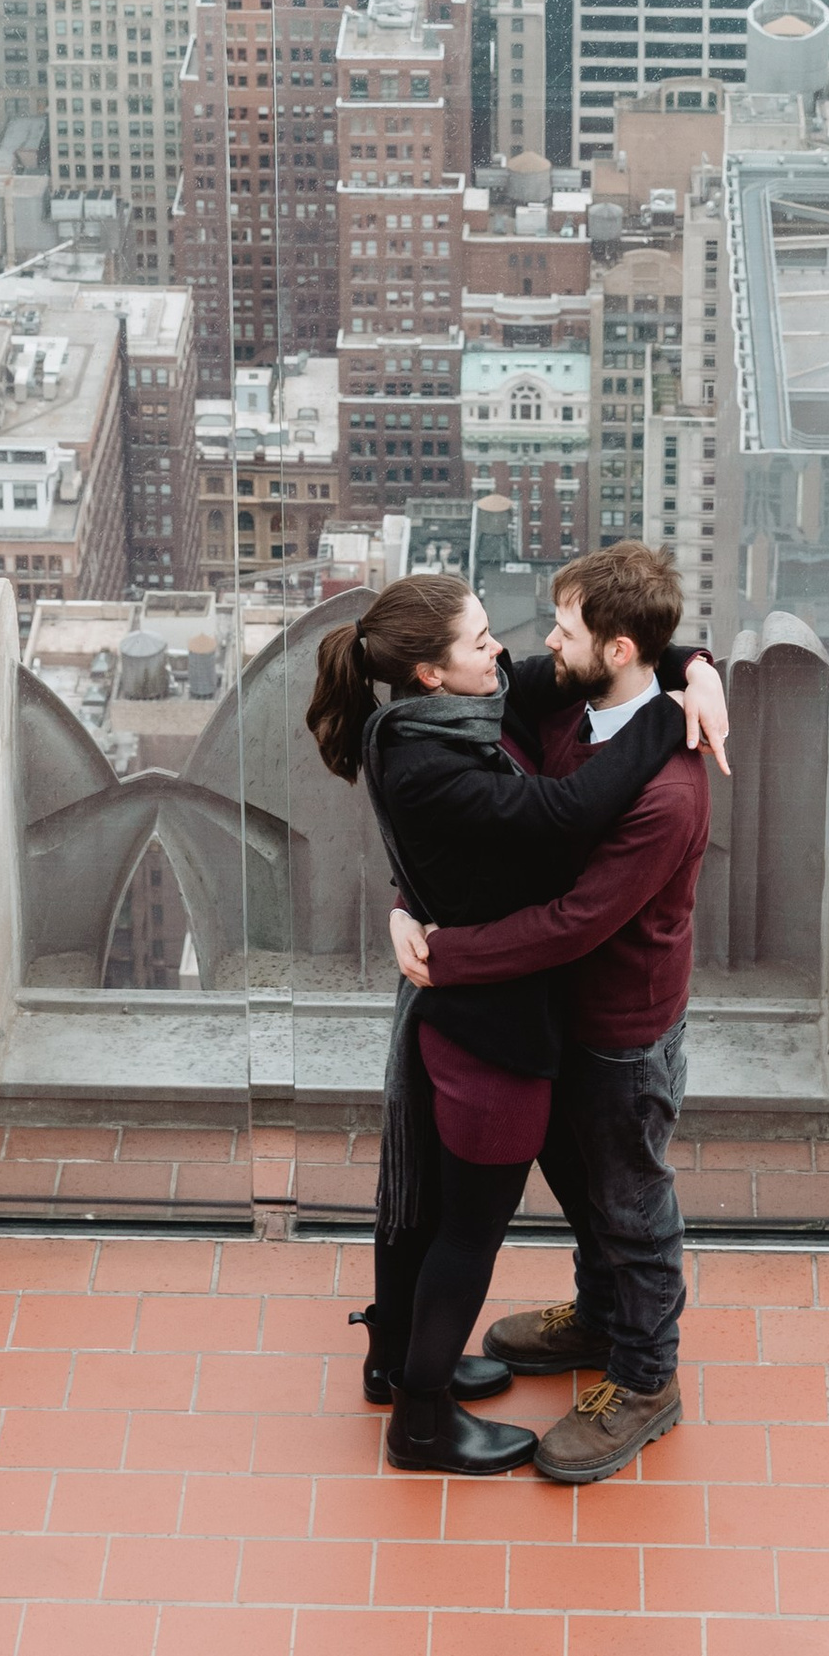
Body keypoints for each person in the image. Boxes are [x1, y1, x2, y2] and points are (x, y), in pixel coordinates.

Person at [303, 572, 726, 1476]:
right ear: (428, 673)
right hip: (504, 1015)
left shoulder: (628, 770)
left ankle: (642, 1374)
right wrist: (413, 910)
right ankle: (432, 1390)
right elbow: (541, 818)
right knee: (515, 1211)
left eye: (554, 631)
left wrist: (691, 670)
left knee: (624, 1205)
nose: (518, 650)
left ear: (614, 651)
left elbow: (563, 907)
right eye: (483, 640)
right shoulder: (495, 727)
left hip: (600, 1015)